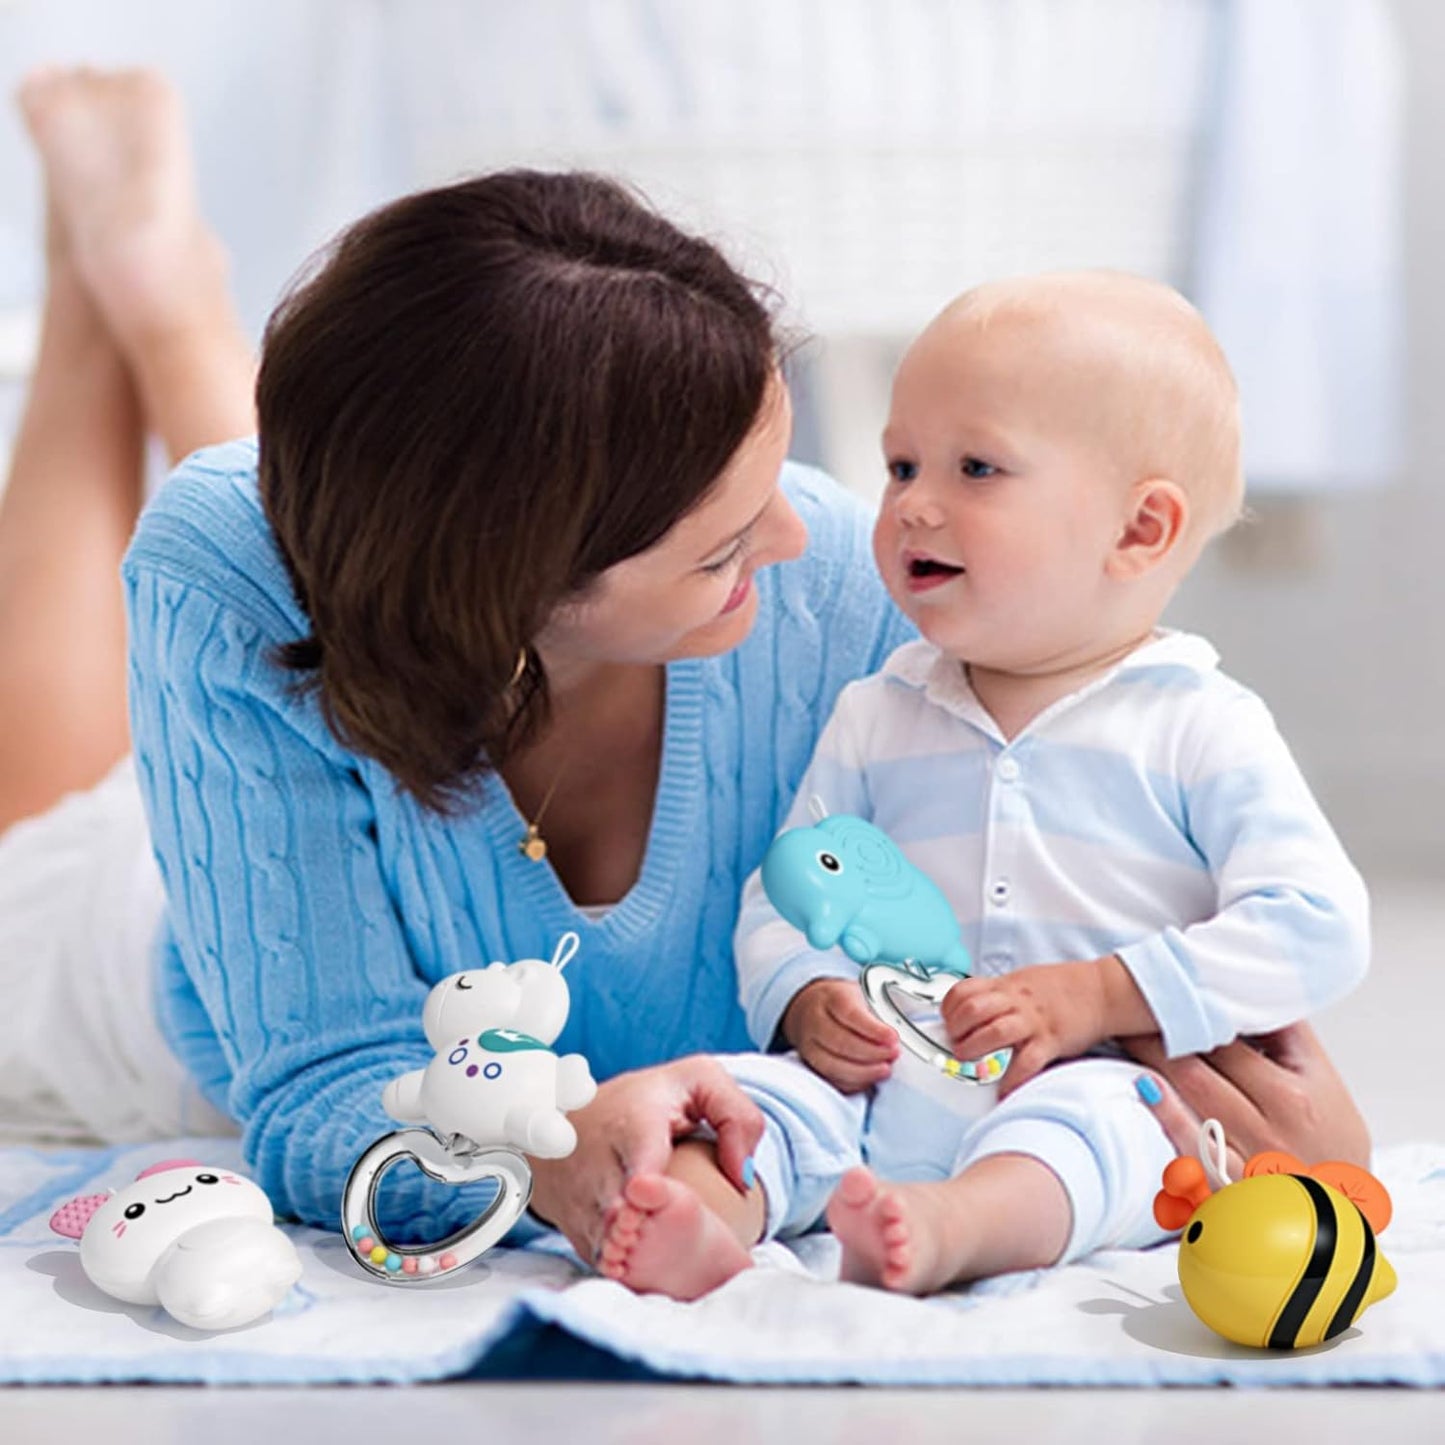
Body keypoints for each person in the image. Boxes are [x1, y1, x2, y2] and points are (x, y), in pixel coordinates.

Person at [0, 70, 1369, 1261]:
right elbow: (312, 1086)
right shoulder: (218, 573)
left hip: (406, 563)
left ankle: (167, 303)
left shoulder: (837, 575)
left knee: (341, 500)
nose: (804, 533)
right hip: (148, 949)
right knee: (67, 782)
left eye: (782, 475)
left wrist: (1258, 1084)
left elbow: (1067, 895)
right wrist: (538, 1147)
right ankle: (114, 300)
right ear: (531, 583)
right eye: (719, 546)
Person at [593, 273, 1369, 1300]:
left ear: (1138, 530)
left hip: (1084, 1075)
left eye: (974, 467)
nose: (912, 501)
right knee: (754, 1103)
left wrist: (1101, 992)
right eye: (900, 462)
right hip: (881, 1076)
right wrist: (805, 994)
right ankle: (699, 1218)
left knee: (1107, 1134)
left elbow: (1314, 921)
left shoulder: (1196, 725)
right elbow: (790, 886)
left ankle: (951, 1226)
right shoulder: (876, 711)